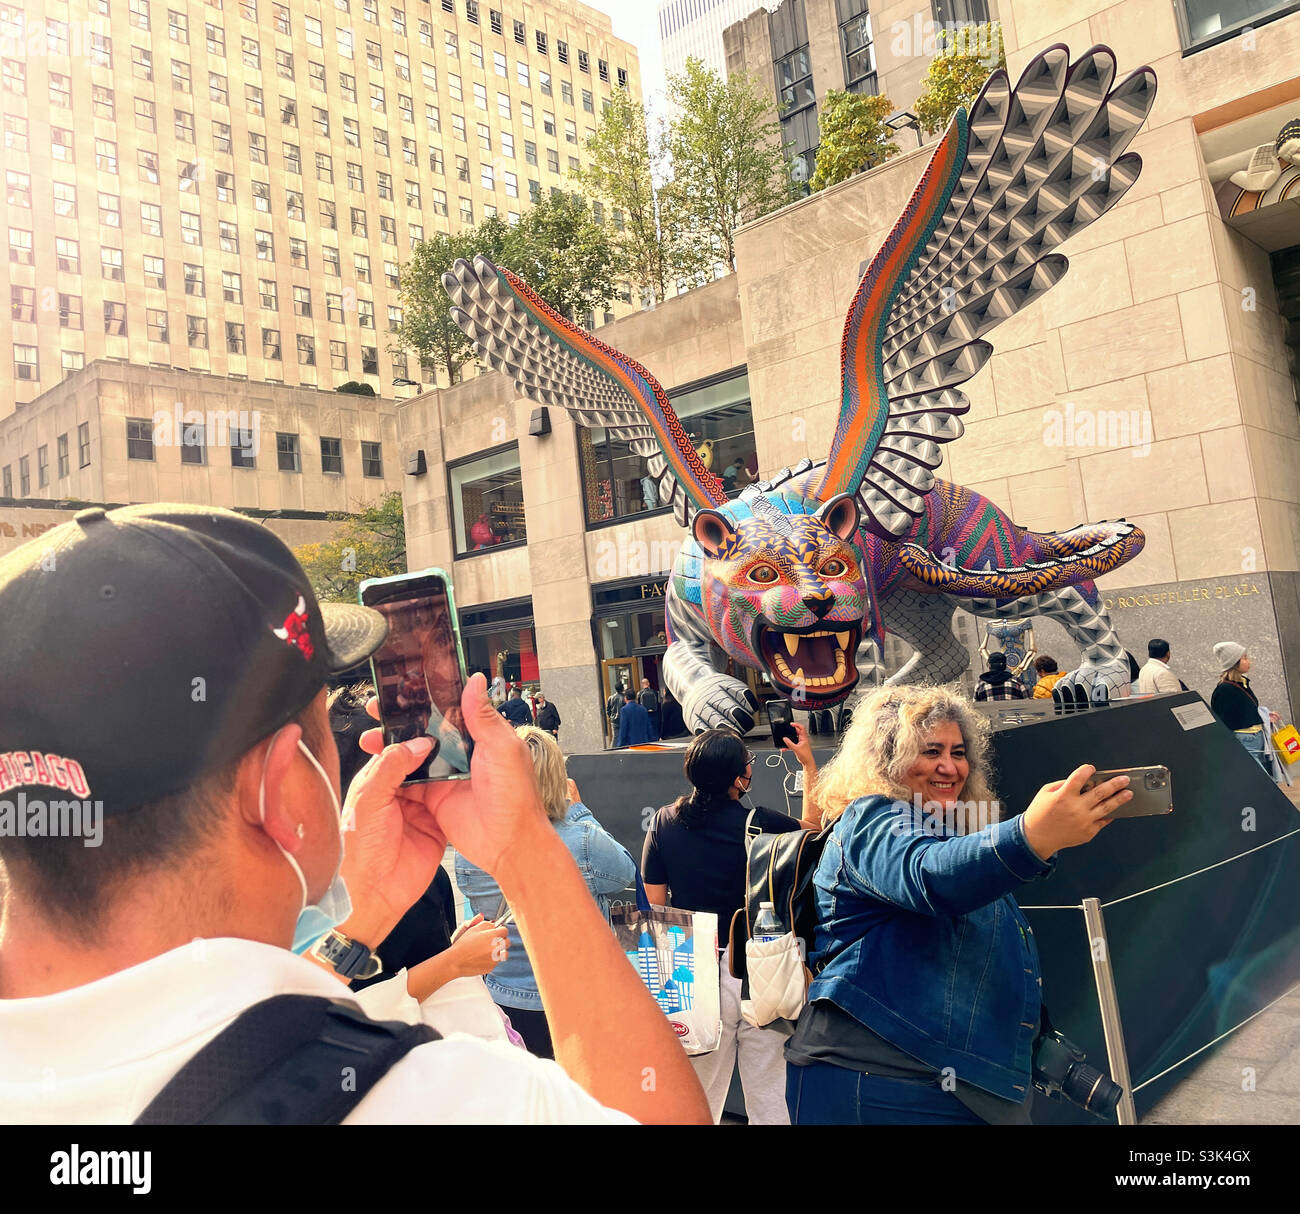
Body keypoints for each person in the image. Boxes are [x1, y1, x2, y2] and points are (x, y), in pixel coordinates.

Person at [0, 503, 709, 1125]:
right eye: (325, 726)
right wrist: (525, 851)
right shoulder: (443, 1097)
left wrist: (360, 919)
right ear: (282, 789)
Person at [784, 683, 1134, 1125]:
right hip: (882, 1085)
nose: (950, 767)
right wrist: (1031, 836)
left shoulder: (944, 828)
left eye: (958, 751)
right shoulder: (870, 818)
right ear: (887, 758)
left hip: (952, 1088)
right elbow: (929, 875)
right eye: (931, 751)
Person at [642, 728, 821, 1124]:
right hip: (760, 966)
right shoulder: (761, 822)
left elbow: (656, 910)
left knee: (695, 1098)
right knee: (771, 1096)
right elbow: (813, 829)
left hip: (690, 969)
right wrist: (808, 764)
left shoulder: (663, 823)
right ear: (740, 778)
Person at [456, 727, 637, 1058]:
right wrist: (579, 810)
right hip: (578, 1003)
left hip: (503, 997)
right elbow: (625, 871)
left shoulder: (470, 847)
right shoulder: (583, 840)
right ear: (557, 777)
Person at [1210, 642, 1281, 779]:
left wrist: (1264, 716)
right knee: (1260, 781)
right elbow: (1225, 720)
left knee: (1261, 780)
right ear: (1234, 662)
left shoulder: (1242, 683)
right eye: (1244, 658)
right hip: (1244, 740)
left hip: (1256, 737)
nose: (1249, 661)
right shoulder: (1225, 689)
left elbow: (1243, 710)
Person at [605, 682, 625, 746]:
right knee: (624, 736)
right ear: (622, 688)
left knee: (615, 737)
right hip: (622, 719)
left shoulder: (611, 698)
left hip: (614, 721)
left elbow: (608, 710)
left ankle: (612, 750)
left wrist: (611, 717)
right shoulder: (625, 698)